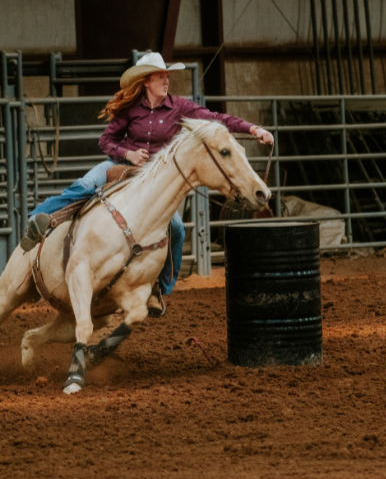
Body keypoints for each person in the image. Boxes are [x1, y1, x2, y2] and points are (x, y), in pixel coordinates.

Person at [20, 52, 275, 316]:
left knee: (176, 228)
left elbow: (216, 119)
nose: (166, 81)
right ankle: (40, 218)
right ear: (146, 82)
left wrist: (253, 129)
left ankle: (159, 290)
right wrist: (128, 154)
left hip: (154, 181)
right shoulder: (130, 108)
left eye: (166, 76)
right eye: (160, 76)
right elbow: (105, 141)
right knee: (85, 184)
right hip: (122, 167)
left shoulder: (180, 108)